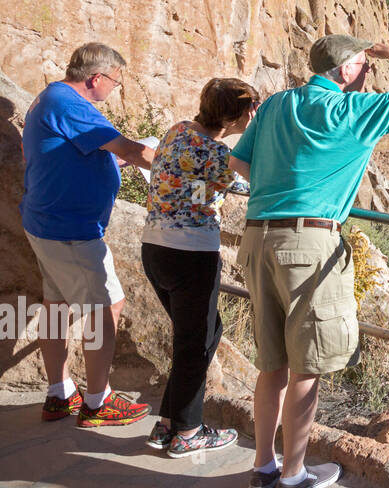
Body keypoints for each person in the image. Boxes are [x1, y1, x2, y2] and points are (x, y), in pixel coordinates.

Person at [230, 35, 389, 488]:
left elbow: (240, 162)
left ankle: (263, 467)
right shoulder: (350, 111)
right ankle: (293, 476)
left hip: (258, 235)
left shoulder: (278, 103)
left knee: (271, 363)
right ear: (343, 71)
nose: (367, 75)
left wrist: (284, 180)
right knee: (306, 366)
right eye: (364, 66)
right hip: (309, 241)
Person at [21, 42, 156, 427]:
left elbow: (72, 151)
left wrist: (108, 162)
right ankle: (98, 402)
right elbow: (133, 151)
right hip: (71, 230)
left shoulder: (52, 96)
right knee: (106, 308)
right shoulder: (73, 105)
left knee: (57, 306)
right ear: (96, 79)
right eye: (115, 82)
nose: (115, 89)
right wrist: (179, 163)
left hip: (45, 222)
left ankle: (59, 393)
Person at [141, 78, 260, 458]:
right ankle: (188, 432)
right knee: (194, 343)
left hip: (156, 247)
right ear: (240, 114)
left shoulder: (178, 131)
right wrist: (254, 130)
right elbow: (256, 178)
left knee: (203, 335)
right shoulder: (218, 155)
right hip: (190, 254)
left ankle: (167, 424)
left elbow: (196, 185)